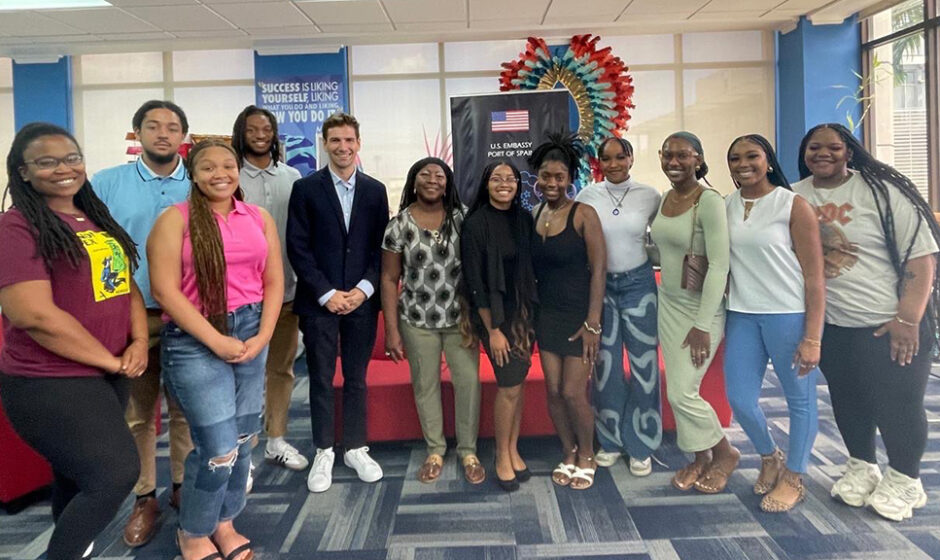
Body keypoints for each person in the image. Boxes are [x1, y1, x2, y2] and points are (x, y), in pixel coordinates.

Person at [0, 122, 144, 560]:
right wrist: (108, 359)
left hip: (108, 371)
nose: (64, 168)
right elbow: (33, 314)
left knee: (76, 477)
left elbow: (125, 285)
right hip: (50, 379)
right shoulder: (16, 226)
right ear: (23, 172)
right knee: (115, 475)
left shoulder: (91, 216)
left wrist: (137, 340)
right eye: (47, 162)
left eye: (71, 157)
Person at [793, 123, 939, 521]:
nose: (823, 154)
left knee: (898, 404)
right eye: (813, 148)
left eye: (833, 147)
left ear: (850, 152)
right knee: (847, 398)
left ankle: (906, 480)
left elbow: (921, 257)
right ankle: (862, 464)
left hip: (887, 323)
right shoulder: (795, 195)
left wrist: (908, 319)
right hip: (833, 325)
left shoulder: (882, 192)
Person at [148, 139, 283, 560]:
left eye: (228, 164)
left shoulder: (257, 218)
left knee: (243, 440)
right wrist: (215, 339)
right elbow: (165, 292)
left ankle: (224, 522)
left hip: (251, 330)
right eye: (208, 167)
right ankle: (193, 531)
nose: (220, 173)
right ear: (193, 173)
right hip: (195, 338)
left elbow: (274, 282)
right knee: (218, 449)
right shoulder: (175, 220)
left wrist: (262, 337)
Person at [92, 99, 194, 547]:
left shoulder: (201, 182)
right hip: (133, 316)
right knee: (140, 415)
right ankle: (144, 496)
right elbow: (91, 250)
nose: (163, 134)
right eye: (152, 126)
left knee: (187, 411)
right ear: (137, 133)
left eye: (172, 127)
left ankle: (182, 487)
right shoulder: (106, 183)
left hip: (191, 316)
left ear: (183, 138)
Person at [287, 112, 389, 494]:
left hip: (362, 302)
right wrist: (327, 293)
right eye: (335, 141)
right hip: (320, 303)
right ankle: (325, 449)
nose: (343, 148)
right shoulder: (306, 189)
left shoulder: (375, 190)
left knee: (357, 379)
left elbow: (382, 248)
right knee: (321, 379)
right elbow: (297, 246)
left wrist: (364, 289)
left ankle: (356, 447)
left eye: (349, 140)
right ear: (324, 145)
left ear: (358, 144)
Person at [723, 134, 825, 512]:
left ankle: (795, 476)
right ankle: (770, 456)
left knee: (800, 401)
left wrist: (812, 336)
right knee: (740, 399)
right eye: (735, 158)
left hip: (788, 314)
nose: (743, 163)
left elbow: (815, 277)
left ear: (769, 161)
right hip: (742, 314)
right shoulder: (726, 205)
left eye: (752, 156)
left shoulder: (793, 205)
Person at [380, 157, 484, 484]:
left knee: (468, 383)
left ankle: (468, 451)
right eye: (425, 174)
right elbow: (387, 278)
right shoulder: (398, 225)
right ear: (414, 181)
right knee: (426, 387)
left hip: (459, 319)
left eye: (439, 175)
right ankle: (435, 450)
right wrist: (392, 331)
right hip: (415, 319)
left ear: (447, 182)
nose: (432, 180)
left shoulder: (463, 219)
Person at [650, 131, 739, 494]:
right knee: (677, 388)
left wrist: (703, 324)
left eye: (683, 155)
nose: (674, 162)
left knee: (683, 392)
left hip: (701, 309)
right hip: (668, 304)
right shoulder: (665, 198)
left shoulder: (710, 201)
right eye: (668, 154)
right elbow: (662, 251)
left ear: (699, 159)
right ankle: (700, 457)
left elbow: (719, 265)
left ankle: (725, 452)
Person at [576, 136, 662, 477]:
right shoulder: (588, 195)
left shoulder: (650, 196)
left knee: (645, 366)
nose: (613, 164)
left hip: (639, 284)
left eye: (619, 157)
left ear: (630, 158)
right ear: (599, 163)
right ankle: (610, 441)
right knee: (605, 367)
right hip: (600, 288)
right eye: (606, 159)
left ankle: (642, 444)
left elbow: (667, 235)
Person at [527, 133, 606, 490]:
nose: (552, 183)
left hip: (579, 317)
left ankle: (587, 454)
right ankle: (568, 451)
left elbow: (599, 270)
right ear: (537, 177)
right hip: (547, 315)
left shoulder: (584, 214)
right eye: (546, 176)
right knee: (554, 392)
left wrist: (593, 322)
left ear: (571, 178)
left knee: (575, 392)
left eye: (559, 177)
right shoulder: (536, 213)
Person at [232, 105, 307, 473]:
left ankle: (275, 439)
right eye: (252, 128)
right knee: (239, 374)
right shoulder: (229, 176)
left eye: (267, 128)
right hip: (237, 297)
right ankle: (239, 448)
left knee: (281, 368)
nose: (260, 134)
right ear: (241, 133)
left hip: (287, 293)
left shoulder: (293, 177)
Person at [461, 160, 537, 492]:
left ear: (518, 185)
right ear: (486, 184)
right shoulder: (475, 224)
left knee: (517, 385)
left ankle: (513, 448)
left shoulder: (524, 219)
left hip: (524, 313)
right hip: (494, 316)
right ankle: (500, 456)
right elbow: (475, 281)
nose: (504, 183)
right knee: (508, 386)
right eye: (496, 178)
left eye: (510, 179)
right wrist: (492, 330)